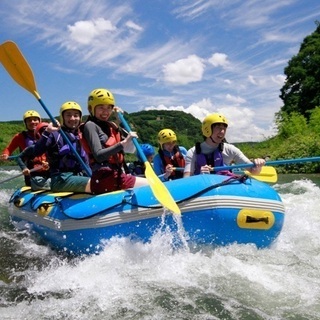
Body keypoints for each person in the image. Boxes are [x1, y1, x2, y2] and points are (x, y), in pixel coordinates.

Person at [82, 88, 149, 194]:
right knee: (151, 184)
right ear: (91, 108)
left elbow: (129, 149)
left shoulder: (110, 126)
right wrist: (123, 144)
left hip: (117, 176)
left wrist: (120, 120)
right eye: (101, 107)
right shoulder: (90, 126)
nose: (106, 111)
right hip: (105, 179)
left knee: (150, 183)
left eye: (109, 108)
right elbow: (98, 156)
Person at [30, 101, 91, 193]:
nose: (72, 118)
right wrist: (47, 132)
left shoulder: (81, 136)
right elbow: (36, 151)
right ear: (62, 117)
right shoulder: (55, 134)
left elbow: (86, 162)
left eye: (76, 115)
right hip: (61, 179)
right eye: (68, 115)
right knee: (96, 184)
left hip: (79, 176)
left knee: (102, 181)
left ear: (80, 117)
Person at [183, 113, 265, 177]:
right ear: (207, 129)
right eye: (218, 127)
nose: (222, 131)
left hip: (223, 189)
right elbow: (186, 179)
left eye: (224, 128)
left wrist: (258, 166)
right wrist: (200, 176)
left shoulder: (230, 150)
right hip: (202, 189)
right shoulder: (192, 152)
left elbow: (253, 171)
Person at [0, 110, 45, 186]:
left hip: (47, 166)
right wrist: (5, 154)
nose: (32, 122)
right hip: (29, 169)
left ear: (40, 121)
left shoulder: (47, 134)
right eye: (29, 120)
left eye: (35, 119)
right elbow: (9, 149)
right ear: (25, 123)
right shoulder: (20, 136)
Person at [16, 122, 51, 190]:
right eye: (43, 133)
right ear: (38, 135)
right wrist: (24, 168)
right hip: (34, 178)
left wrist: (50, 165)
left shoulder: (53, 148)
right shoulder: (32, 148)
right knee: (38, 180)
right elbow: (19, 157)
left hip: (48, 176)